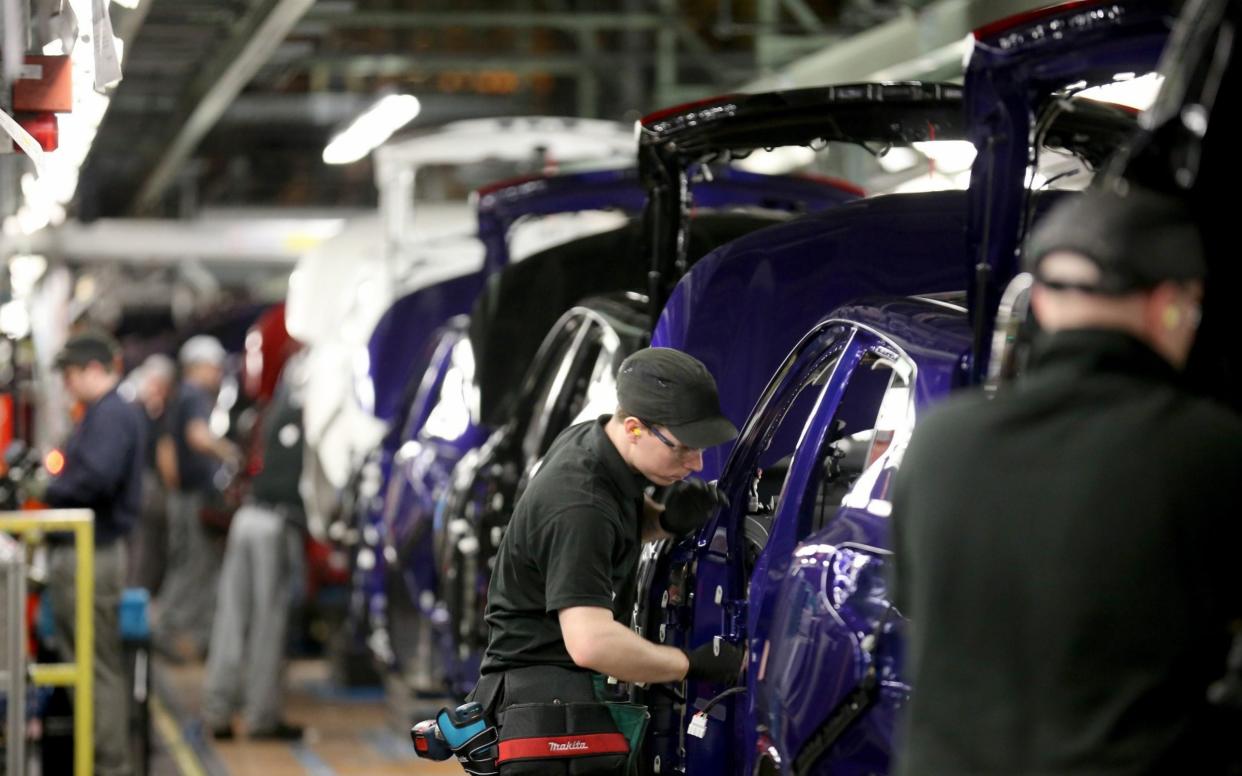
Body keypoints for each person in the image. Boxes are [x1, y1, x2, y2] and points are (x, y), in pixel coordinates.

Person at [890, 183, 1242, 774]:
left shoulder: (940, 442)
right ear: (1171, 305)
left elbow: (913, 600)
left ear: (1046, 306)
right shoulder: (1209, 448)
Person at [466, 348, 747, 747]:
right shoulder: (579, 501)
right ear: (634, 428)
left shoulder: (595, 441)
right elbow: (591, 643)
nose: (697, 464)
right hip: (543, 712)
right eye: (683, 448)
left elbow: (606, 535)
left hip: (556, 692)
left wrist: (663, 522)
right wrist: (689, 664)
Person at [44, 330, 146, 776]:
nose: (67, 384)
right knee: (89, 661)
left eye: (69, 374)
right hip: (92, 552)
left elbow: (95, 479)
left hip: (93, 552)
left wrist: (50, 490)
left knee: (95, 666)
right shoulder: (105, 414)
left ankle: (107, 765)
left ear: (92, 369)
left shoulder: (111, 416)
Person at [201, 357, 308, 740]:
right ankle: (261, 718)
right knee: (268, 624)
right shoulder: (314, 416)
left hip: (247, 517)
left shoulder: (274, 409)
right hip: (275, 526)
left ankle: (217, 712)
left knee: (231, 618)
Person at [155, 334, 240, 660]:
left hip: (182, 495)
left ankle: (195, 633)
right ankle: (167, 628)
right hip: (191, 497)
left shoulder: (179, 395)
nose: (218, 374)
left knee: (189, 563)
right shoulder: (194, 395)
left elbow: (166, 447)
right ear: (200, 366)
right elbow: (197, 436)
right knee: (194, 566)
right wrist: (231, 452)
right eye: (215, 367)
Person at [128, 353, 176, 592]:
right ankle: (136, 607)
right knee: (145, 550)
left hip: (138, 486)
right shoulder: (146, 412)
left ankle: (138, 600)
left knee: (144, 548)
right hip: (148, 486)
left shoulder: (138, 410)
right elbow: (163, 455)